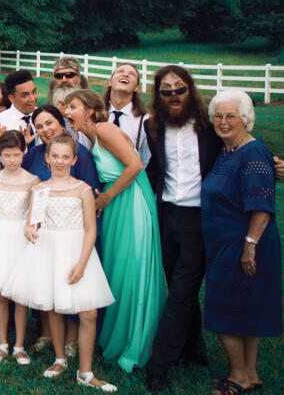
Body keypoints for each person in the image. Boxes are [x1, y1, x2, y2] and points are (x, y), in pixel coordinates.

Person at [63, 89, 166, 373]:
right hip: (115, 204)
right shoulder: (88, 137)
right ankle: (117, 336)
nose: (67, 112)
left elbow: (135, 165)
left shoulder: (105, 129)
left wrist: (107, 197)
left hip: (130, 202)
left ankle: (136, 341)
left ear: (90, 110)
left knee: (131, 268)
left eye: (73, 106)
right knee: (117, 270)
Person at [2, 135, 116, 391]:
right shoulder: (40, 190)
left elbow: (90, 230)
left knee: (88, 312)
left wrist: (82, 263)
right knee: (53, 305)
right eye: (55, 156)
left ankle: (85, 371)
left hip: (77, 251)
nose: (60, 161)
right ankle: (59, 358)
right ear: (47, 158)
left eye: (66, 157)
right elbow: (32, 222)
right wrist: (29, 229)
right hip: (49, 250)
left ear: (74, 160)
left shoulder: (83, 190)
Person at [142, 65, 219, 391]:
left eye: (180, 88)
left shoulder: (210, 124)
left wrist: (270, 162)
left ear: (190, 90)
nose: (174, 95)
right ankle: (194, 350)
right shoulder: (152, 126)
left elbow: (239, 146)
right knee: (179, 287)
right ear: (158, 95)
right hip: (168, 217)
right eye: (166, 90)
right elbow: (155, 169)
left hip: (200, 218)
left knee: (181, 292)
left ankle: (158, 365)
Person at [200, 90, 281, 394]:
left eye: (231, 116)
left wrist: (250, 245)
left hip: (244, 244)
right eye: (218, 116)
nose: (223, 122)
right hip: (224, 244)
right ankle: (250, 374)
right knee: (243, 309)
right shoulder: (227, 150)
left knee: (224, 310)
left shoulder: (252, 152)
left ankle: (237, 377)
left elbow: (262, 206)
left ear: (245, 119)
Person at [22, 104, 101, 356]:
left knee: (74, 287)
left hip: (76, 231)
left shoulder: (80, 155)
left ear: (60, 122)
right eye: (40, 126)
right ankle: (47, 333)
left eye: (50, 123)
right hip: (47, 233)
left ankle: (72, 338)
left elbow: (91, 195)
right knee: (49, 287)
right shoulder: (33, 155)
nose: (46, 129)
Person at [0, 131, 39, 366]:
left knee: (20, 295)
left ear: (23, 153)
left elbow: (34, 216)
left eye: (16, 155)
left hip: (21, 239)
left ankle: (20, 346)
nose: (12, 160)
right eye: (7, 155)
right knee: (1, 294)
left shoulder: (32, 181)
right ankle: (2, 343)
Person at [0, 70, 39, 168]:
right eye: (25, 95)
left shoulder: (43, 116)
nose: (32, 99)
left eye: (34, 92)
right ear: (11, 98)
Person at [103, 64, 150, 165]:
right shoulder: (94, 114)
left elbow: (146, 161)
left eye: (131, 74)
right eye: (120, 71)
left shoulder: (145, 120)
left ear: (136, 87)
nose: (125, 75)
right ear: (110, 82)